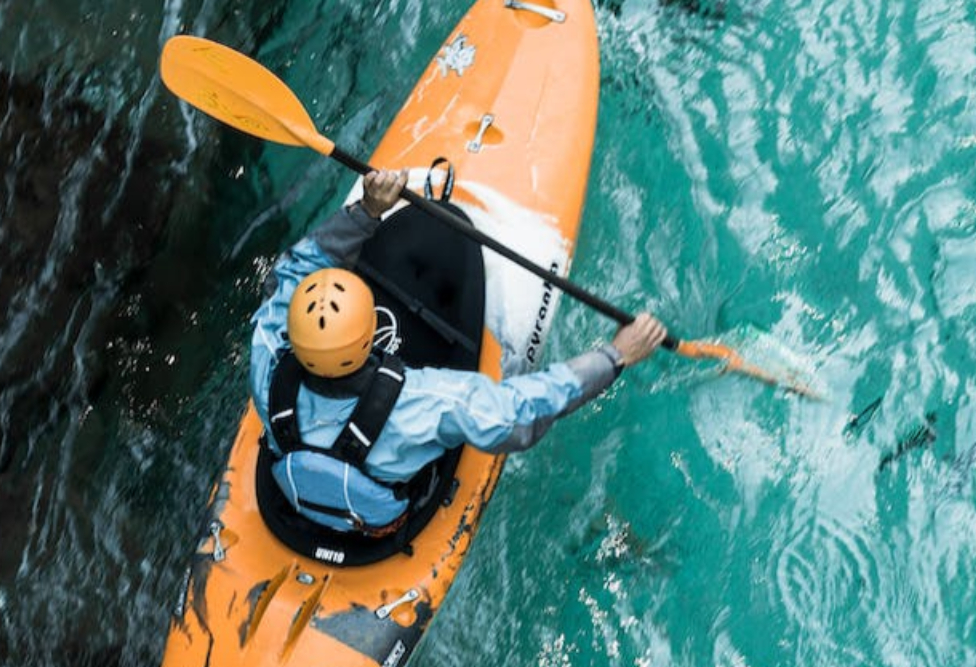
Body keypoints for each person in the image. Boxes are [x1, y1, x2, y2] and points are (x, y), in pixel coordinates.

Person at [250, 169, 668, 536]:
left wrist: (365, 212)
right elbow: (520, 417)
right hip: (384, 519)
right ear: (371, 335)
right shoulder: (423, 403)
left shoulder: (268, 356)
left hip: (295, 495)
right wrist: (615, 356)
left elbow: (288, 275)